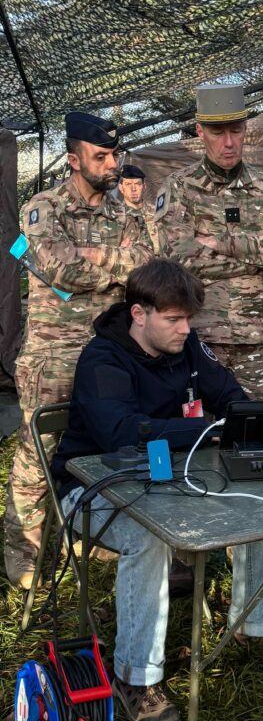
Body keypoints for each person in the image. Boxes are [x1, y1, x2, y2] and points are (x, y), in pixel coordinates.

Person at [52, 259, 263, 721]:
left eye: (188, 318)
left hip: (172, 474)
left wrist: (245, 422)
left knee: (261, 502)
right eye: (173, 319)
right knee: (147, 537)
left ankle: (255, 627)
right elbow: (120, 434)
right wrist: (205, 429)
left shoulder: (186, 345)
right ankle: (136, 677)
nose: (185, 329)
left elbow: (229, 394)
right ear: (139, 314)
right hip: (91, 488)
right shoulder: (102, 359)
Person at [3, 112, 153, 590]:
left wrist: (90, 258)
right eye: (101, 156)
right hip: (55, 357)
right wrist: (114, 265)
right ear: (74, 159)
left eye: (114, 155)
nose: (112, 164)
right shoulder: (43, 208)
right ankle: (22, 550)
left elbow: (147, 267)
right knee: (39, 454)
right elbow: (59, 268)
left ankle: (86, 531)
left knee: (103, 445)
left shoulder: (125, 214)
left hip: (109, 358)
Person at [156, 83, 263, 398]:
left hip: (257, 341)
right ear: (200, 131)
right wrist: (259, 253)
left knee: (254, 425)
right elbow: (176, 262)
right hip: (198, 339)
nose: (229, 143)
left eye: (236, 131)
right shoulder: (179, 188)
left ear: (245, 128)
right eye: (218, 133)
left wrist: (217, 241)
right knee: (199, 425)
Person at [118, 164, 159, 250]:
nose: (133, 189)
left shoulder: (157, 213)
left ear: (144, 187)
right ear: (121, 188)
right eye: (128, 184)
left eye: (138, 184)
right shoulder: (115, 215)